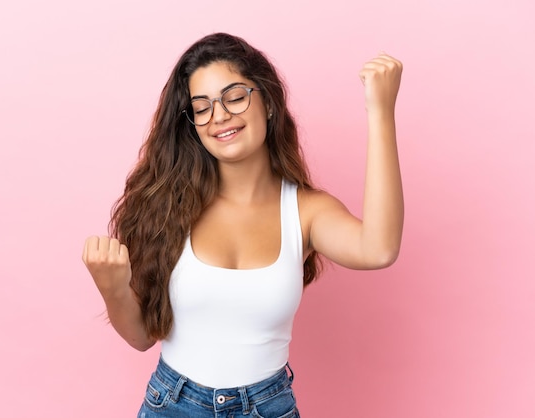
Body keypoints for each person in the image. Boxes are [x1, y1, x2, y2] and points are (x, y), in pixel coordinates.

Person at [82, 32, 403, 417]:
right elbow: (139, 338)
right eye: (201, 108)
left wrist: (381, 111)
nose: (218, 116)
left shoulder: (305, 211)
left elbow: (379, 248)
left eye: (234, 97)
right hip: (173, 404)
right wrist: (113, 289)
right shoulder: (167, 207)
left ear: (266, 101)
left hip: (267, 407)